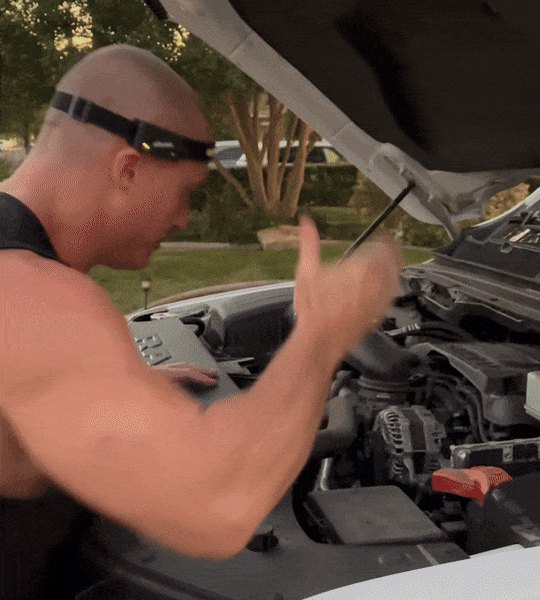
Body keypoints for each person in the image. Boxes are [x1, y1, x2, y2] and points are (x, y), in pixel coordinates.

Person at [0, 44, 401, 596]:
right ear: (127, 168)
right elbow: (219, 507)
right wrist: (323, 335)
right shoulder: (34, 296)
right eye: (186, 192)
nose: (185, 219)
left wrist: (114, 398)